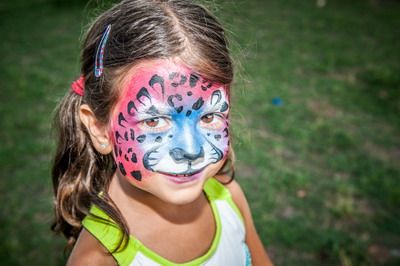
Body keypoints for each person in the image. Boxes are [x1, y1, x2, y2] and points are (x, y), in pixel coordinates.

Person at [51, 0, 273, 265]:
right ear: (100, 129)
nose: (191, 149)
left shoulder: (229, 198)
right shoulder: (96, 259)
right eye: (155, 121)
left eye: (209, 116)